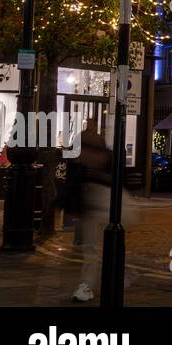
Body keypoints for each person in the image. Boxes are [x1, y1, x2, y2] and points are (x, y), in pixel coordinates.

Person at [66, 120, 111, 303]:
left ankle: (88, 284)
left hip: (99, 200)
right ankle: (87, 284)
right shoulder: (97, 146)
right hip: (93, 202)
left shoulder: (94, 147)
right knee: (91, 247)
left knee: (93, 247)